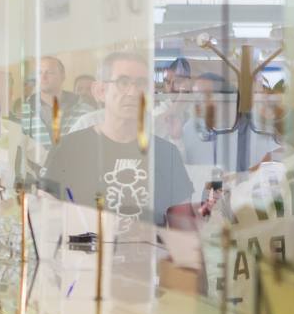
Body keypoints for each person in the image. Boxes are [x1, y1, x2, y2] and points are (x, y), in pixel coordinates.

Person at [44, 51, 194, 236]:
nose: (133, 92)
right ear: (100, 91)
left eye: (141, 84)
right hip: (86, 261)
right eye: (123, 83)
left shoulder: (166, 154)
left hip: (147, 261)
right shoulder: (69, 149)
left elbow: (185, 232)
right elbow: (46, 222)